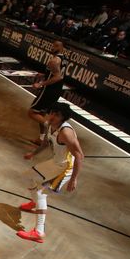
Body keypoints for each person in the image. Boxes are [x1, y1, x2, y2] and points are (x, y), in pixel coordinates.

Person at [18, 103, 84, 243]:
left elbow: (79, 155)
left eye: (57, 115)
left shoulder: (66, 132)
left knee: (40, 193)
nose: (53, 116)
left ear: (63, 118)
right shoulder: (49, 124)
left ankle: (39, 232)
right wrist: (33, 153)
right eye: (53, 112)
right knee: (28, 177)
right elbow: (45, 143)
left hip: (66, 168)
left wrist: (74, 179)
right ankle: (34, 202)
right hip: (56, 163)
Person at [27, 40, 66, 146]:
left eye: (56, 46)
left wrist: (40, 84)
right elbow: (57, 73)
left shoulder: (54, 61)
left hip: (49, 90)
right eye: (53, 45)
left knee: (32, 112)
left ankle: (50, 127)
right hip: (56, 90)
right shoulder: (63, 59)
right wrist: (44, 74)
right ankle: (41, 139)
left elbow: (58, 77)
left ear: (62, 48)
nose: (53, 48)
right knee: (41, 113)